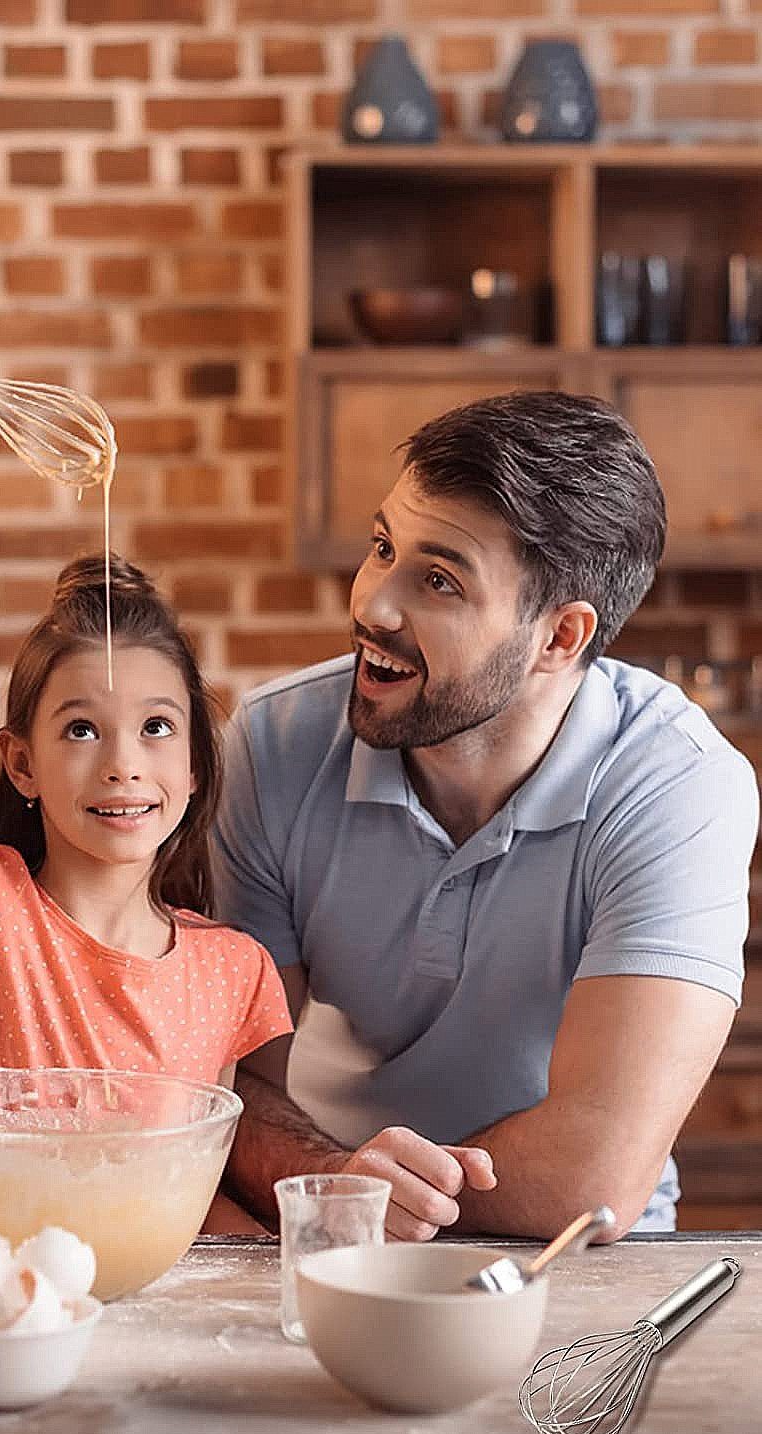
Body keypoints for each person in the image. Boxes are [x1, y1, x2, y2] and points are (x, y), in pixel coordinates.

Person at [215, 390, 757, 1242]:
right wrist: (341, 1185)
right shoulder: (275, 742)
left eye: (438, 580)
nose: (373, 606)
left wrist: (375, 1196)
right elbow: (223, 1085)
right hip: (336, 1223)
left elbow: (594, 1175)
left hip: (572, 1260)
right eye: (382, 547)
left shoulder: (679, 786)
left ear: (559, 638)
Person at [0, 312, 291, 1160]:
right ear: (21, 764)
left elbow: (222, 1180)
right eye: (81, 730)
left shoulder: (237, 971)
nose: (124, 764)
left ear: (198, 765)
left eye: (158, 727)